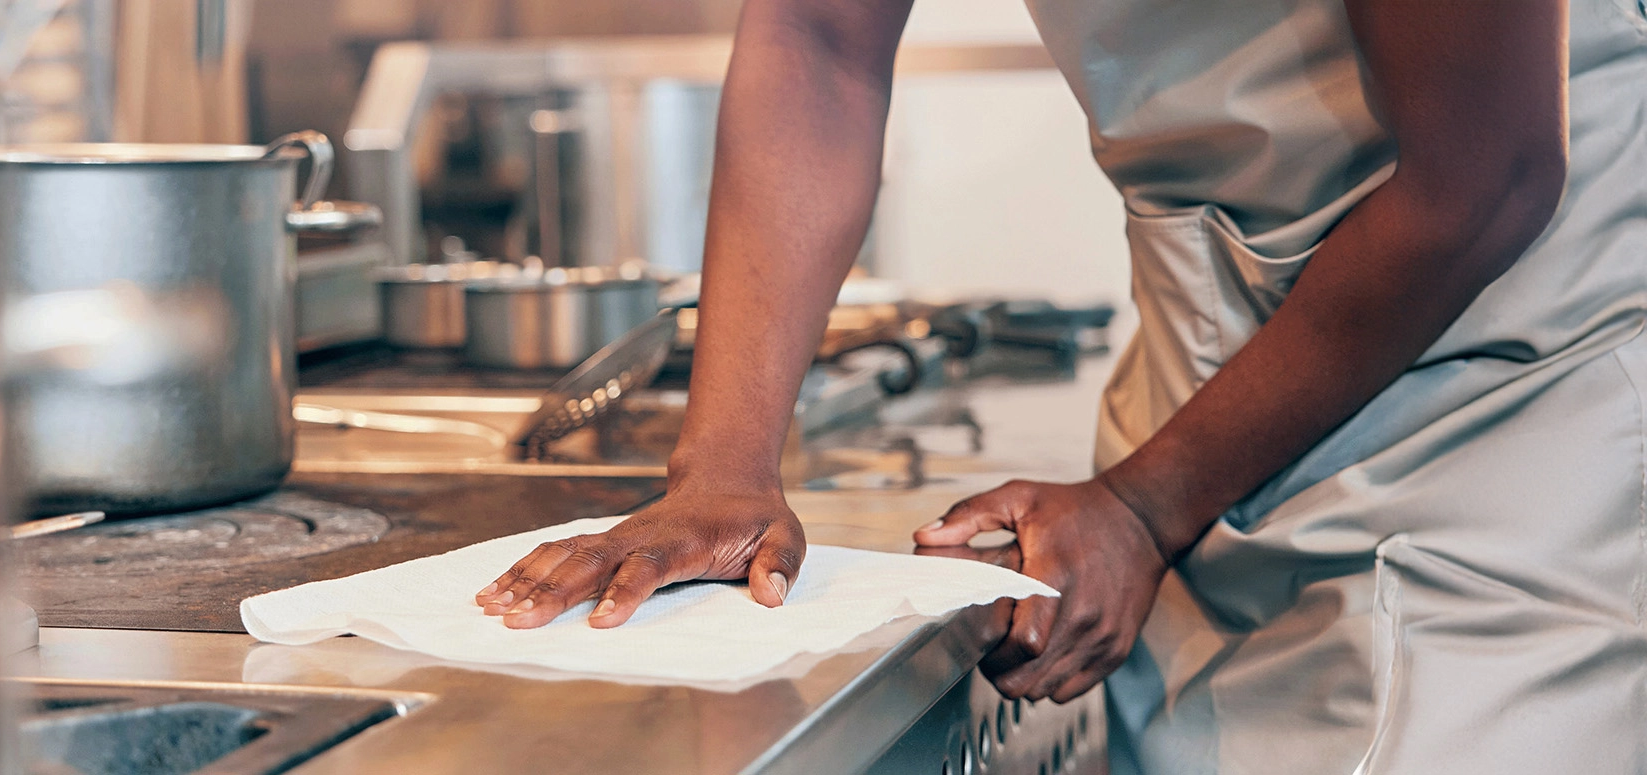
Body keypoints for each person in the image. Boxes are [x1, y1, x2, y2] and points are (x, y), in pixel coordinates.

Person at [471, 0, 1647, 771]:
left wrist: (1145, 502)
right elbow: (819, 38)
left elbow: (1485, 176)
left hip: (1509, 381)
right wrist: (723, 465)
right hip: (1212, 377)